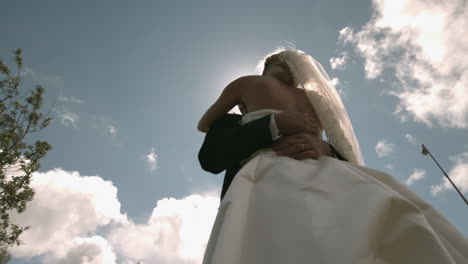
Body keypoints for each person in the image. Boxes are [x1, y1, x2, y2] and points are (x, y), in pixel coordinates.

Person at [198, 49, 468, 264]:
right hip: (290, 181)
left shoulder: (250, 85)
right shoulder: (314, 102)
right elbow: (210, 159)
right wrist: (274, 124)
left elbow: (203, 123)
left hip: (314, 173)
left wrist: (325, 149)